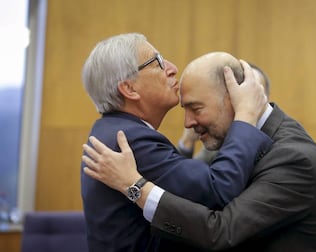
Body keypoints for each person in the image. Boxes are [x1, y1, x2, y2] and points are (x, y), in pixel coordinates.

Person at [82, 52, 316, 251]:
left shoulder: (294, 158)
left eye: (196, 109)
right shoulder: (239, 141)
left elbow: (220, 230)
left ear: (234, 100)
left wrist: (135, 186)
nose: (187, 123)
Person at [80, 33, 273, 252]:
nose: (172, 68)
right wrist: (246, 115)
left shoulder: (117, 131)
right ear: (129, 89)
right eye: (158, 63)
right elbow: (219, 188)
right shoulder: (129, 140)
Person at [177, 62, 271, 164]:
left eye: (253, 93)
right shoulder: (221, 138)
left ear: (263, 99)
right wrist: (187, 142)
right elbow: (193, 177)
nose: (246, 98)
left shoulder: (281, 145)